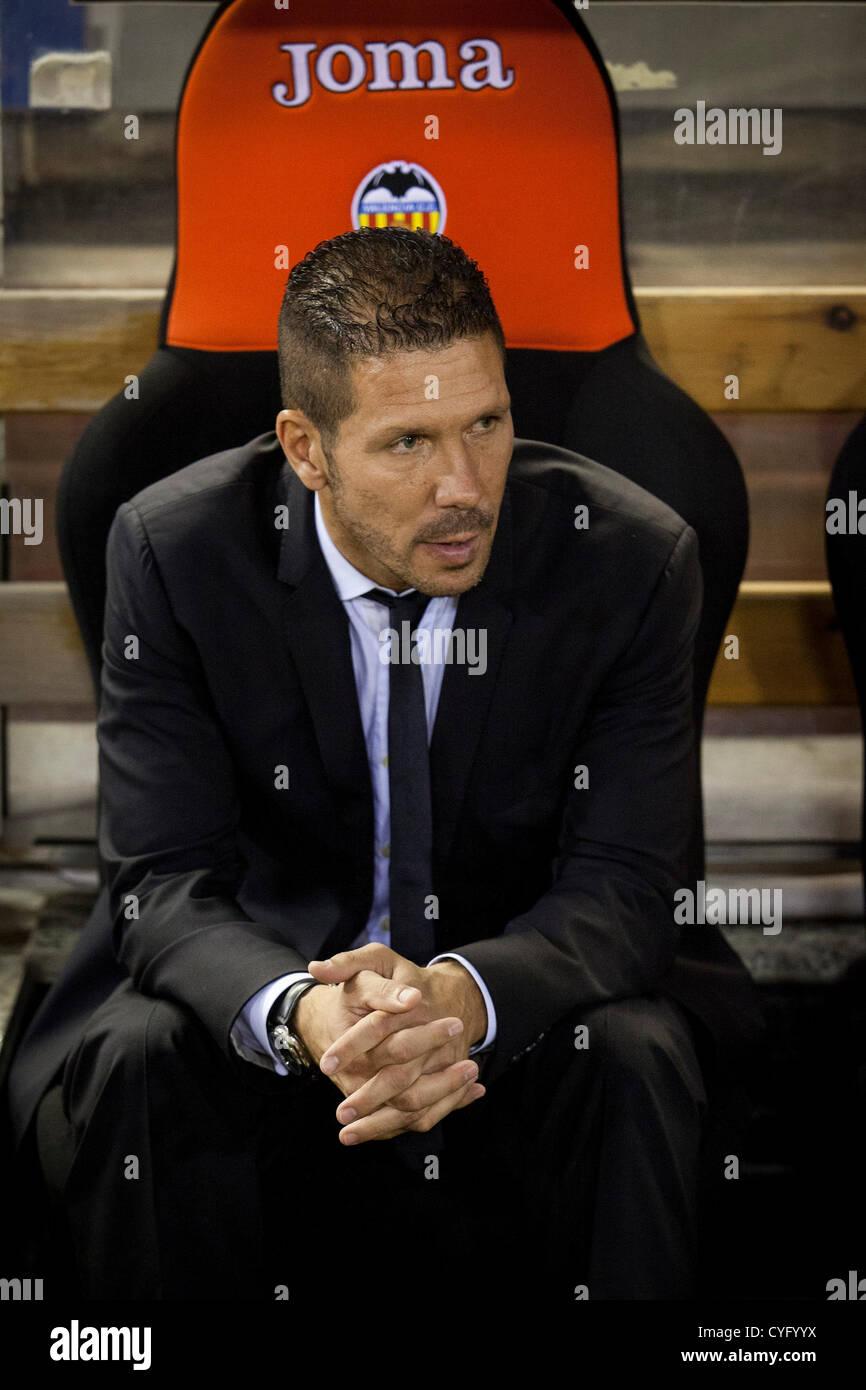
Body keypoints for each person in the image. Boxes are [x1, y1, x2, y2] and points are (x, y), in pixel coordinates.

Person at [8, 226, 763, 1303]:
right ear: (305, 449)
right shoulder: (172, 552)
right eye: (407, 442)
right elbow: (164, 883)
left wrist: (459, 997)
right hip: (276, 1007)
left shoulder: (630, 559)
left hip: (516, 1010)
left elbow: (628, 889)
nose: (464, 485)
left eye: (486, 424)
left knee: (633, 1051)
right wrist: (305, 1014)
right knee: (137, 1053)